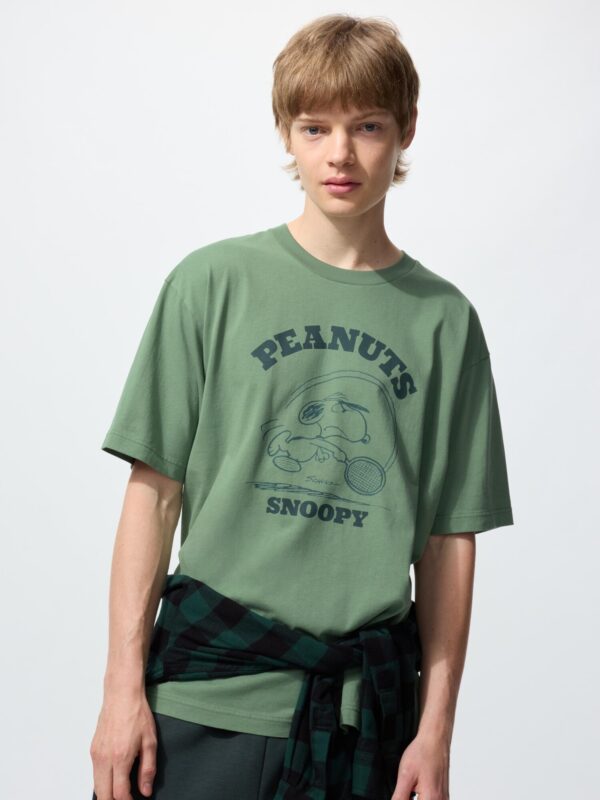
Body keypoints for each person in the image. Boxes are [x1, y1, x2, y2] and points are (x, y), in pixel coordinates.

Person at [89, 13, 514, 800]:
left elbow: (448, 543)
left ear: (407, 129)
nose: (339, 154)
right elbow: (152, 496)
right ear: (286, 131)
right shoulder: (211, 284)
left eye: (368, 126)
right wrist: (121, 693)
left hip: (362, 722)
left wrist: (436, 732)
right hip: (203, 700)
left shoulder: (444, 322)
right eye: (315, 127)